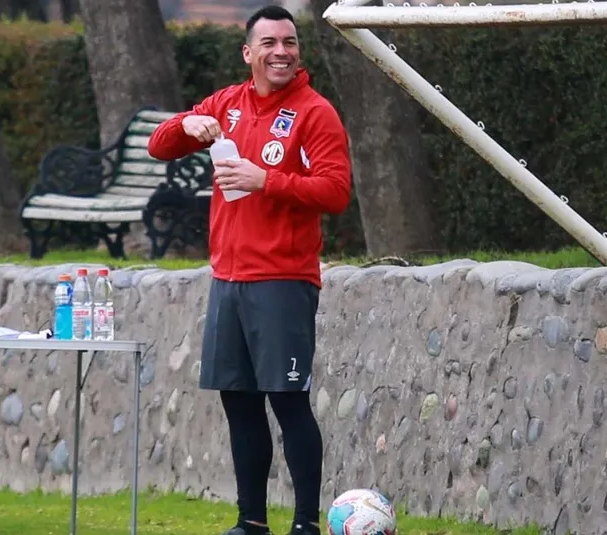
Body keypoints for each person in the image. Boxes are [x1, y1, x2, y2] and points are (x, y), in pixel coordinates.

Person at [147, 5, 352, 535]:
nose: (281, 52)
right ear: (248, 53)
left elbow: (335, 192)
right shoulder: (227, 105)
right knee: (238, 403)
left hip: (283, 279)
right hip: (228, 280)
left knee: (288, 401)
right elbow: (159, 145)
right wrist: (185, 123)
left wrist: (267, 180)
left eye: (290, 42)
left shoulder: (315, 113)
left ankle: (305, 524)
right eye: (269, 43)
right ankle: (251, 522)